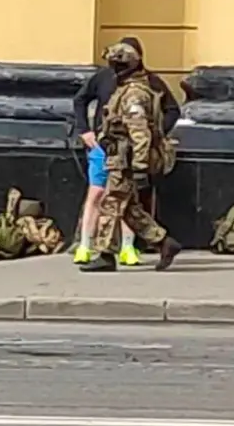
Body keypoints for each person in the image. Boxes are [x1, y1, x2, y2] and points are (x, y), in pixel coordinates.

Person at [71, 36, 181, 265]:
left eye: (117, 65)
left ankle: (105, 255)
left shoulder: (134, 94)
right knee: (128, 208)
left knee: (111, 203)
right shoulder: (127, 88)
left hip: (126, 159)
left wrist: (139, 168)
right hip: (117, 156)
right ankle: (164, 242)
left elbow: (140, 133)